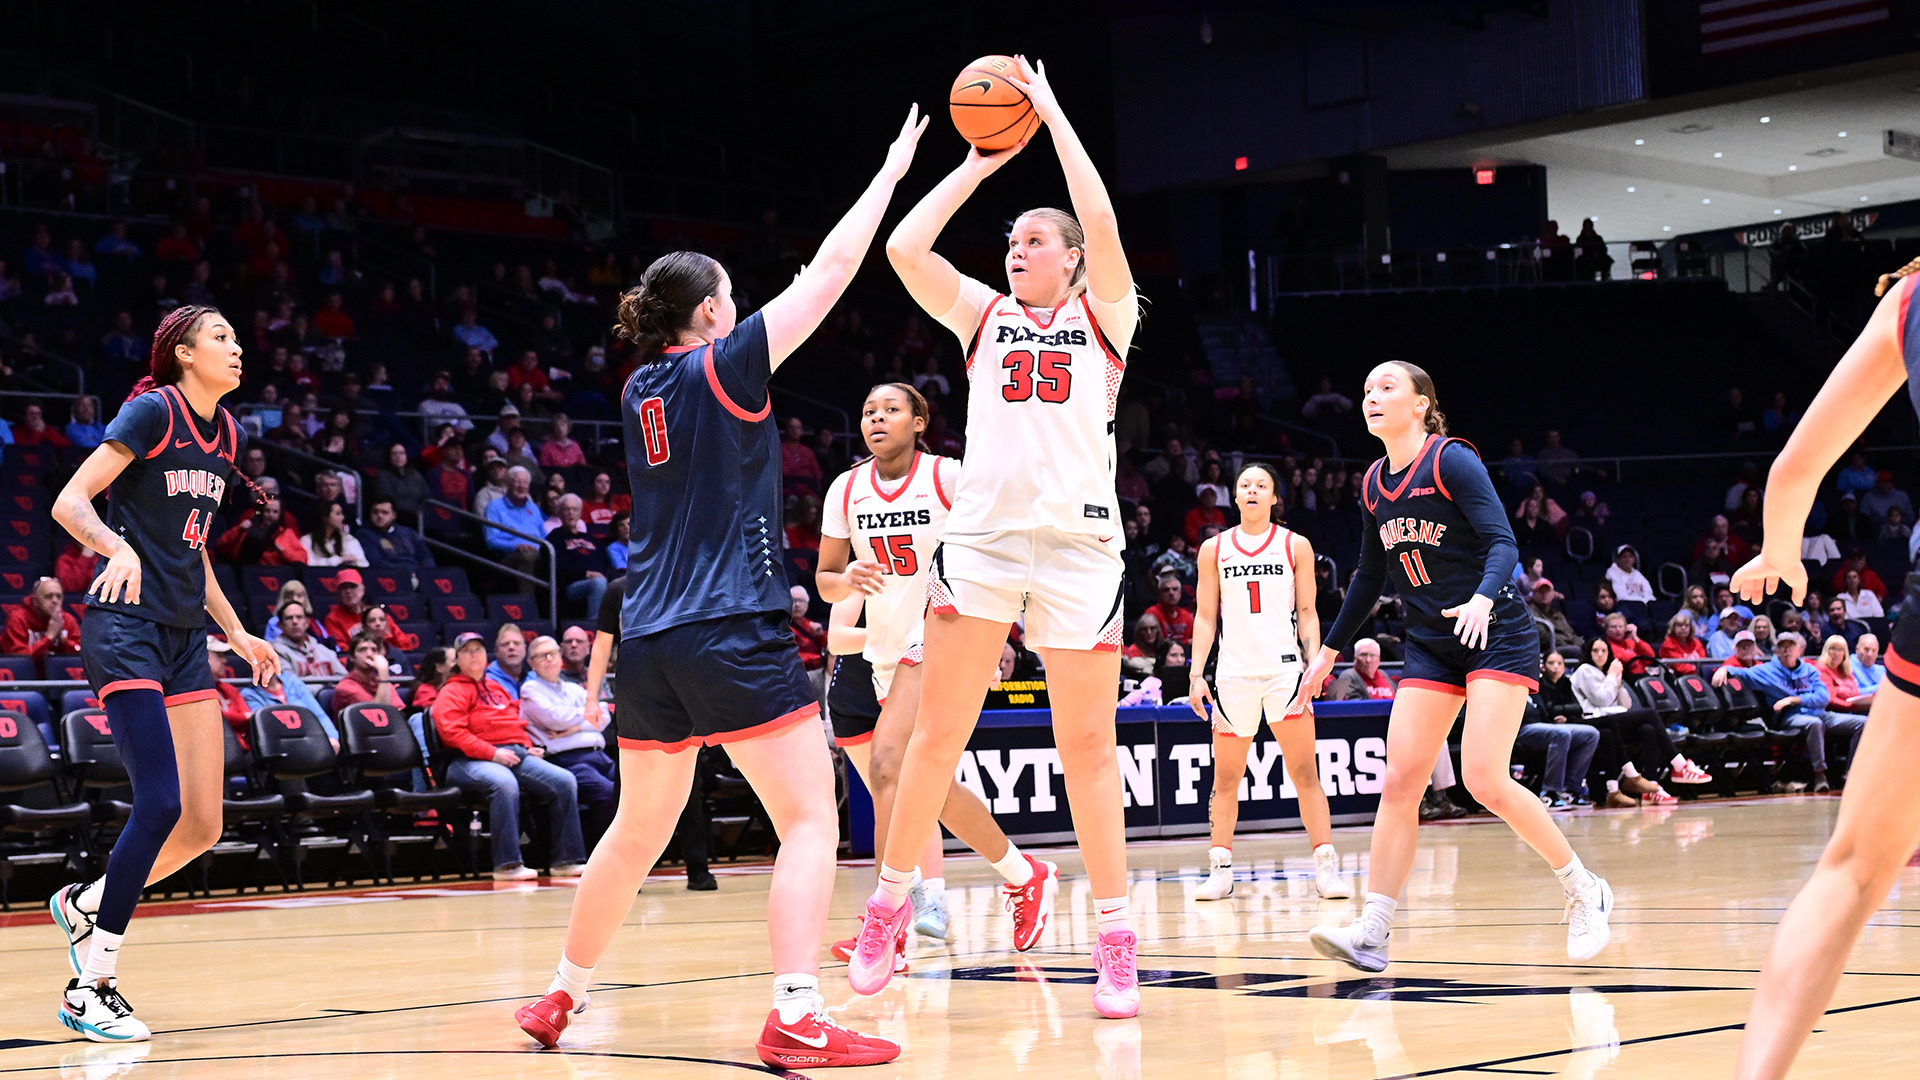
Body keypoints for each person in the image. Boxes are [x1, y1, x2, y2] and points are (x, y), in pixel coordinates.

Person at [513, 107, 925, 1068]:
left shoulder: (636, 387)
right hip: (730, 624)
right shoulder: (721, 365)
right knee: (811, 818)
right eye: (731, 299)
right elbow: (829, 272)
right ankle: (795, 1013)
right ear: (708, 315)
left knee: (635, 828)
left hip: (651, 638)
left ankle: (559, 994)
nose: (741, 311)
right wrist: (891, 170)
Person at [860, 61, 1145, 1020]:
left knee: (1087, 751)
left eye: (1034, 241)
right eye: (1012, 241)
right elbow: (905, 246)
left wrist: (1057, 114)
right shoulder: (981, 318)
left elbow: (1100, 221)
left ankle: (1113, 937)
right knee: (936, 737)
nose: (1016, 251)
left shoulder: (1105, 319)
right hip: (980, 544)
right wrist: (982, 163)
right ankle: (889, 906)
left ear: (1067, 258)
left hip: (1076, 551)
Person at [1301, 360, 1614, 974]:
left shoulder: (1452, 461)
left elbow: (1504, 542)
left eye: (1387, 388)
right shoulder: (1371, 483)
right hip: (1431, 642)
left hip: (1496, 629)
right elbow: (1368, 576)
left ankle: (1584, 888)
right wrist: (1329, 653)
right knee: (1401, 783)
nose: (1371, 397)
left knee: (1483, 779)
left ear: (1421, 405)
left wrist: (1480, 597)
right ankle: (1374, 930)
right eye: (1366, 390)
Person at [47, 305, 282, 1042]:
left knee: (204, 823)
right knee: (159, 801)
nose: (236, 348)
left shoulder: (228, 435)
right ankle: (94, 985)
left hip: (184, 637)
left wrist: (238, 632)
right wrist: (113, 548)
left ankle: (86, 902)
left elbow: (193, 551)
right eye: (221, 337)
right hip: (124, 627)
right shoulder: (153, 411)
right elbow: (70, 501)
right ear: (183, 353)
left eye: (238, 339)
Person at [814, 382, 1038, 960]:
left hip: (944, 631)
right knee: (926, 787)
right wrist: (850, 581)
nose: (876, 419)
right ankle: (1021, 873)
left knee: (887, 763)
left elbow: (1003, 542)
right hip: (887, 646)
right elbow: (826, 578)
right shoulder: (847, 488)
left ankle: (887, 919)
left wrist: (1002, 629)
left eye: (891, 410)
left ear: (920, 422)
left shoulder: (948, 478)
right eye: (867, 411)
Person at [1187, 462, 1348, 900]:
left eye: (1262, 485)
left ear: (1275, 497)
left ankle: (1326, 865)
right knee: (1225, 778)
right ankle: (1220, 867)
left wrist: (1314, 664)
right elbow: (1204, 616)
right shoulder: (1213, 549)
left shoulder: (1295, 545)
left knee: (1304, 773)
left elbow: (1310, 612)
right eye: (1245, 485)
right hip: (1233, 674)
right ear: (1234, 497)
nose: (1253, 490)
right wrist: (1196, 673)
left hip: (1284, 673)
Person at [433, 636, 585, 881]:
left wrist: (526, 746)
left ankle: (566, 860)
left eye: (478, 650)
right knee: (504, 783)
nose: (474, 655)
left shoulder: (495, 687)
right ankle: (507, 864)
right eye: (467, 651)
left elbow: (514, 722)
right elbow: (453, 734)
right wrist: (492, 753)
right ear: (458, 659)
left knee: (564, 780)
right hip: (465, 761)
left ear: (486, 657)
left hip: (512, 753)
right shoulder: (452, 691)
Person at [1725, 632, 1863, 794]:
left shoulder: (1809, 670)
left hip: (1820, 713)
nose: (1786, 651)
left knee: (1862, 723)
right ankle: (1819, 775)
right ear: (1776, 651)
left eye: (1790, 646)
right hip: (1791, 718)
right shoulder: (1766, 670)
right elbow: (1740, 672)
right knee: (1814, 724)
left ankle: (1851, 773)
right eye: (1782, 647)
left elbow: (1823, 697)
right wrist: (1724, 670)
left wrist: (1794, 699)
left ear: (1799, 650)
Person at [1571, 636, 1701, 800]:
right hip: (1595, 721)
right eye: (1595, 650)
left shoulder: (1607, 674)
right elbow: (1602, 700)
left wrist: (1617, 683)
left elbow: (1626, 705)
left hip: (1613, 720)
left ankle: (1651, 787)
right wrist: (1612, 676)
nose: (1600, 654)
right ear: (1588, 653)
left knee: (1648, 729)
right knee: (1649, 714)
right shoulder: (1585, 670)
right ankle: (1679, 764)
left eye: (1604, 650)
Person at [519, 635, 617, 849]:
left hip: (599, 755)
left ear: (560, 657)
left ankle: (629, 853)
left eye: (552, 654)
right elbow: (555, 717)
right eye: (541, 656)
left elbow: (604, 716)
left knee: (630, 791)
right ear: (532, 663)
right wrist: (586, 716)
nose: (549, 659)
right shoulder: (530, 690)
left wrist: (574, 727)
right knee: (608, 792)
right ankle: (602, 855)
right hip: (568, 760)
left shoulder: (573, 689)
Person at [1, 577, 81, 668]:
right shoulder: (18, 619)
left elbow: (80, 656)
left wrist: (63, 640)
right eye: (48, 596)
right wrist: (49, 637)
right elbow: (19, 661)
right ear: (35, 601)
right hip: (26, 679)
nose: (55, 601)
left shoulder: (67, 620)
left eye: (58, 596)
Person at [329, 633, 403, 714]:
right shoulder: (345, 688)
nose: (369, 654)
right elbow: (379, 715)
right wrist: (383, 671)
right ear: (352, 657)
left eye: (374, 650)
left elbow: (399, 711)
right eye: (362, 650)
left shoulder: (382, 681)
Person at [271, 600, 346, 679]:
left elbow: (344, 680)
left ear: (307, 623)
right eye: (289, 618)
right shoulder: (275, 652)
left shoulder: (323, 651)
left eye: (299, 617)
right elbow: (289, 686)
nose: (295, 621)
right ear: (280, 625)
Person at [1815, 634, 1872, 714]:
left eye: (1840, 650)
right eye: (1833, 649)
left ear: (1844, 654)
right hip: (1832, 712)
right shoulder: (1821, 669)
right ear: (1826, 651)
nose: (1836, 653)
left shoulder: (1846, 670)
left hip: (1852, 710)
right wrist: (1853, 706)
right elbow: (1830, 700)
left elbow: (1856, 694)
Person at [301, 502, 368, 567]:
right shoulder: (307, 540)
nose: (343, 517)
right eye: (338, 514)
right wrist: (339, 559)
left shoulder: (347, 539)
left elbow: (363, 564)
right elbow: (308, 564)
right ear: (325, 518)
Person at [1328, 637, 1397, 700]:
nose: (1368, 660)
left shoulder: (1383, 674)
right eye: (1363, 655)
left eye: (1373, 655)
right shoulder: (1346, 676)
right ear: (1355, 658)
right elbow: (1354, 706)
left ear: (1379, 659)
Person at [320, 569, 370, 645]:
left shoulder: (376, 614)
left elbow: (393, 639)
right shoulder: (332, 619)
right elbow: (342, 651)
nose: (348, 591)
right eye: (343, 588)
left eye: (353, 586)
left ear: (363, 589)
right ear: (337, 592)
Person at [1658, 610, 1708, 675]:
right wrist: (1699, 670)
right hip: (1679, 678)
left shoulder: (1696, 642)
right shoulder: (1669, 644)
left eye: (1686, 625)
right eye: (1680, 625)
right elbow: (1681, 667)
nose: (1683, 628)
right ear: (1673, 628)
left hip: (1698, 675)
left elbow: (1703, 662)